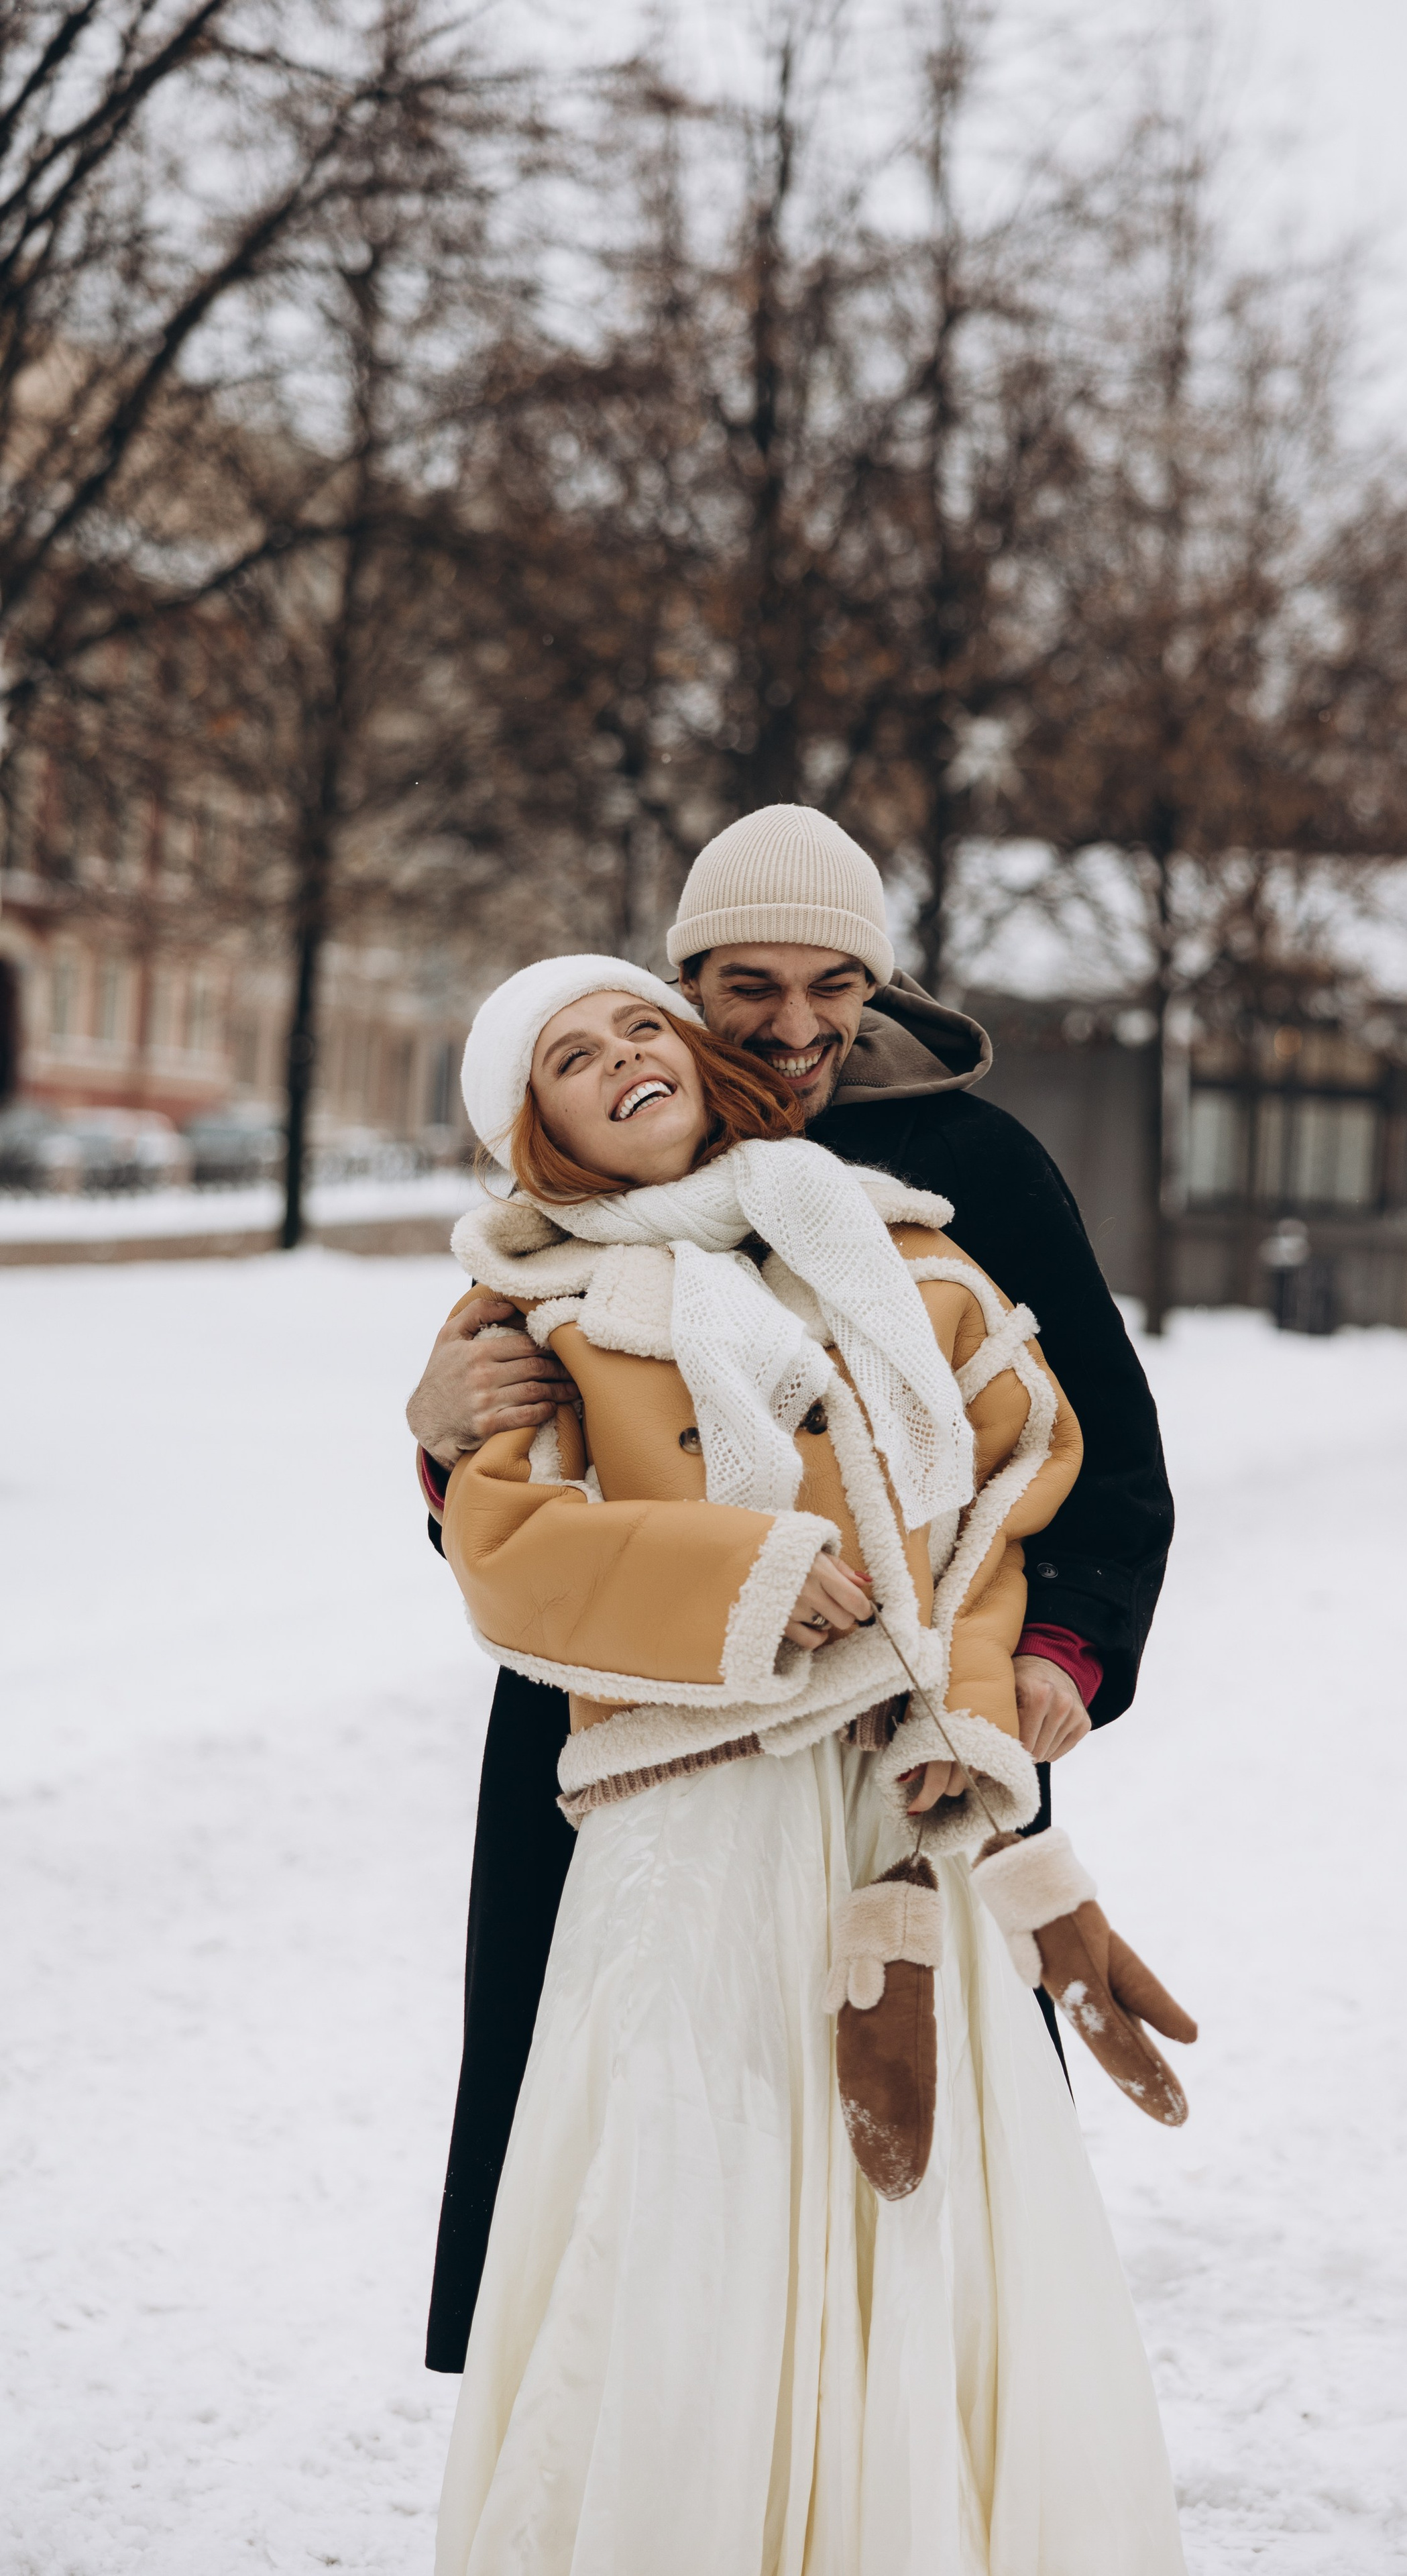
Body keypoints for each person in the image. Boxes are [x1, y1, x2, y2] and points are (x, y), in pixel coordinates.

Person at [430, 953, 1186, 2575]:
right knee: (688, 2178)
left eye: (641, 1027)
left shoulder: (894, 1233)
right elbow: (501, 1542)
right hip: (687, 1819)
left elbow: (1019, 1480)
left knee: (914, 2203)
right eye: (574, 1055)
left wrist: (983, 1693)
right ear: (534, 1127)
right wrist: (745, 1578)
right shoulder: (533, 1293)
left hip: (896, 1814)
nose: (629, 1056)